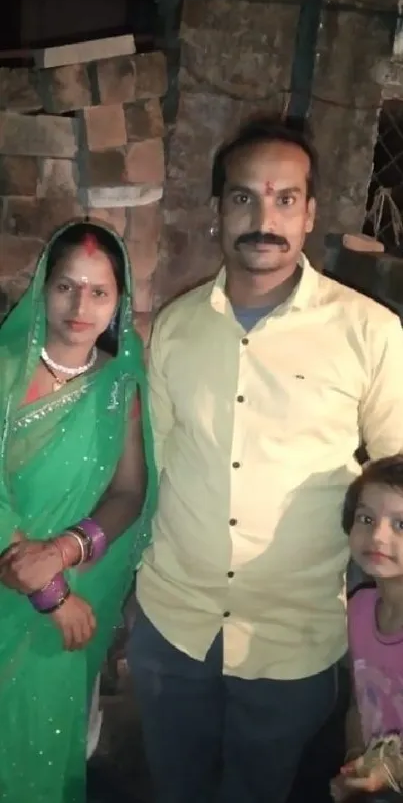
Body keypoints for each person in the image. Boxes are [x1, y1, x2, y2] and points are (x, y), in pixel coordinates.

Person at [128, 113, 403, 803]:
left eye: (285, 199)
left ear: (309, 214)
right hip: (173, 627)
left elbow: (401, 473)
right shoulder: (176, 328)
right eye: (244, 197)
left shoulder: (368, 332)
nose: (264, 217)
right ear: (218, 210)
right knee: (175, 789)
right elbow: (149, 471)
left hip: (294, 636)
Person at [0, 220, 156, 803]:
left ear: (119, 302)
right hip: (30, 599)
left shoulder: (119, 386)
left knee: (45, 750)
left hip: (73, 602)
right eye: (66, 286)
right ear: (43, 287)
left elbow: (128, 492)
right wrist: (49, 593)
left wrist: (62, 558)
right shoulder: (5, 367)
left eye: (99, 292)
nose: (80, 305)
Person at [331, 456, 403, 802]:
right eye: (366, 519)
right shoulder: (358, 609)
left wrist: (389, 770)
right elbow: (359, 706)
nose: (377, 536)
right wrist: (354, 761)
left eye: (401, 525)